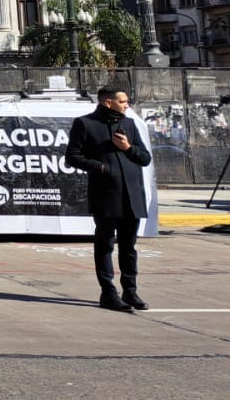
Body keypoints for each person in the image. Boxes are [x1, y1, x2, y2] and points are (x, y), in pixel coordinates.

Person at [66, 87, 154, 313]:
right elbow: (72, 157)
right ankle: (108, 292)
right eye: (123, 101)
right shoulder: (85, 124)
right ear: (108, 102)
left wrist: (127, 148)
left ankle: (130, 291)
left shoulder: (129, 124)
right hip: (106, 194)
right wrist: (101, 168)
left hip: (132, 194)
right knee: (105, 244)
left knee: (129, 246)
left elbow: (144, 158)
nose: (127, 105)